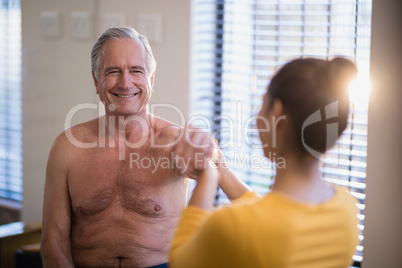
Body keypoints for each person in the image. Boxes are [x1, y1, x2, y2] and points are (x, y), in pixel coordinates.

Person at [40, 26, 245, 268]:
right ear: (96, 80)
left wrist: (212, 152)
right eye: (113, 71)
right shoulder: (67, 148)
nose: (125, 83)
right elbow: (53, 242)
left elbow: (246, 202)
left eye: (136, 71)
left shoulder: (180, 143)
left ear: (151, 78)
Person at [169, 57, 360, 268]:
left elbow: (180, 260)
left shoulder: (233, 226)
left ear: (276, 113)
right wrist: (220, 169)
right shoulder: (347, 208)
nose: (258, 117)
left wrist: (208, 176)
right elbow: (272, 213)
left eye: (263, 104)